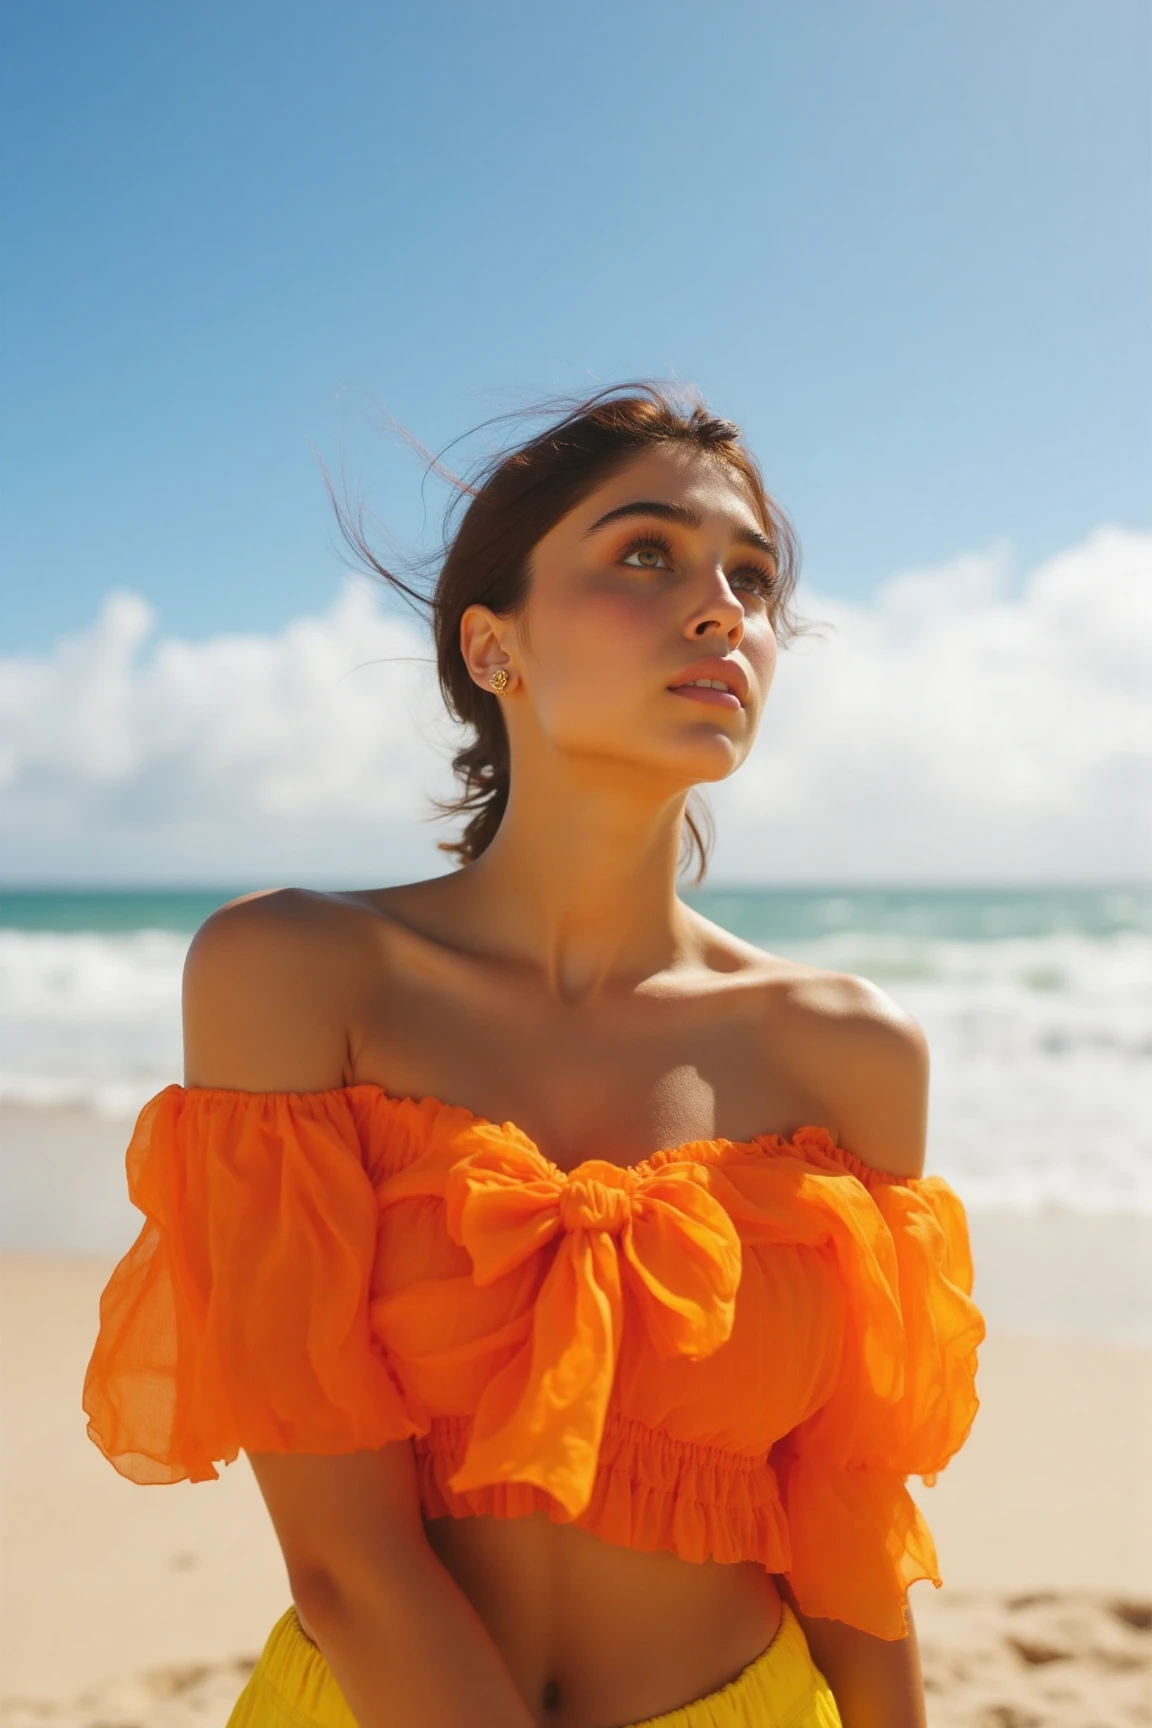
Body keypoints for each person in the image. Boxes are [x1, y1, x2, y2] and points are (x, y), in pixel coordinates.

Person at [82, 383, 984, 1728]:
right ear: (493, 646)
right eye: (646, 554)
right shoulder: (293, 974)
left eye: (753, 577)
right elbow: (346, 1559)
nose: (724, 608)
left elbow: (849, 1535)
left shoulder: (850, 1051)